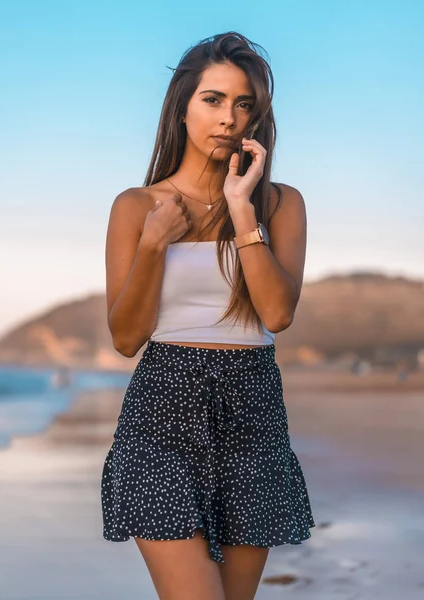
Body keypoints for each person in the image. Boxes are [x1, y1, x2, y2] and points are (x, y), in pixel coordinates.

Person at [101, 31, 315, 600]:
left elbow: (276, 313)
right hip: (162, 415)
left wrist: (244, 212)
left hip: (253, 413)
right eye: (213, 100)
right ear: (182, 106)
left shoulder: (279, 204)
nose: (229, 118)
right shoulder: (136, 206)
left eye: (244, 103)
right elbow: (125, 338)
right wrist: (152, 245)